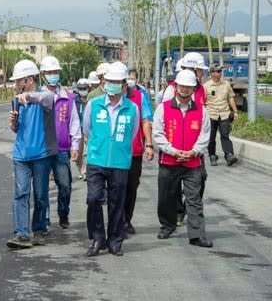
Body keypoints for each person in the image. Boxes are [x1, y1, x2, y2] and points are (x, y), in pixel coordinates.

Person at [83, 61, 139, 257]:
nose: (113, 84)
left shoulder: (132, 109)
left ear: (124, 84)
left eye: (117, 81)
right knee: (93, 199)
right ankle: (97, 238)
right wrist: (100, 146)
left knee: (117, 203)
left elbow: (132, 134)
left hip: (120, 162)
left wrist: (117, 149)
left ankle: (115, 241)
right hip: (96, 161)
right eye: (110, 81)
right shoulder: (93, 105)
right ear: (105, 82)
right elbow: (87, 130)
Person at [153, 69, 213, 248]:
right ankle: (167, 225)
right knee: (166, 197)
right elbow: (158, 134)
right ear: (176, 86)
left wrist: (194, 151)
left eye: (189, 87)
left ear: (194, 89)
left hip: (193, 163)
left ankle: (197, 234)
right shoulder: (163, 108)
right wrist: (172, 151)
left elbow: (205, 135)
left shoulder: (201, 111)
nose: (185, 89)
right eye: (182, 86)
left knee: (194, 198)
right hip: (169, 162)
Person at [6, 60, 56, 249]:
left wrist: (28, 96)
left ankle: (39, 229)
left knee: (41, 195)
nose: (16, 85)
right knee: (20, 193)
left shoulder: (45, 96)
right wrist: (13, 123)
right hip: (21, 155)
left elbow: (47, 100)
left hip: (41, 154)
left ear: (29, 79)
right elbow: (16, 128)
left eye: (19, 81)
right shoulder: (16, 99)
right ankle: (21, 234)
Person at [39, 56, 81, 229]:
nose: (53, 75)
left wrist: (76, 145)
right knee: (42, 188)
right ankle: (45, 218)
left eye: (55, 72)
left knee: (64, 185)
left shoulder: (68, 98)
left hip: (62, 149)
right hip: (41, 150)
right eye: (49, 72)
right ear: (43, 74)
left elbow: (74, 122)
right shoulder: (37, 97)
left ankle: (63, 213)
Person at [124, 69, 154, 236]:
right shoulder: (111, 97)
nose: (128, 82)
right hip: (115, 152)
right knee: (117, 187)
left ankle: (127, 219)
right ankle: (118, 220)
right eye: (126, 79)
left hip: (135, 151)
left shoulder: (139, 97)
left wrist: (148, 144)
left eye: (131, 79)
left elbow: (145, 121)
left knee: (132, 187)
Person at [204, 63, 239, 166]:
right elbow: (202, 101)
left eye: (220, 71)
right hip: (211, 114)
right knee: (211, 137)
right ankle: (212, 156)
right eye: (218, 71)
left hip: (224, 113)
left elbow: (231, 97)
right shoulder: (206, 86)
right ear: (212, 73)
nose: (220, 73)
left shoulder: (226, 84)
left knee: (225, 135)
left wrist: (235, 111)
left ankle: (229, 155)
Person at [74, 78, 90, 181]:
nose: (82, 90)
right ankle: (81, 169)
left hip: (89, 129)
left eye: (84, 88)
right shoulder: (75, 100)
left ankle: (86, 171)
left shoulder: (91, 99)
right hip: (78, 129)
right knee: (79, 152)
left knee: (88, 151)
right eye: (80, 88)